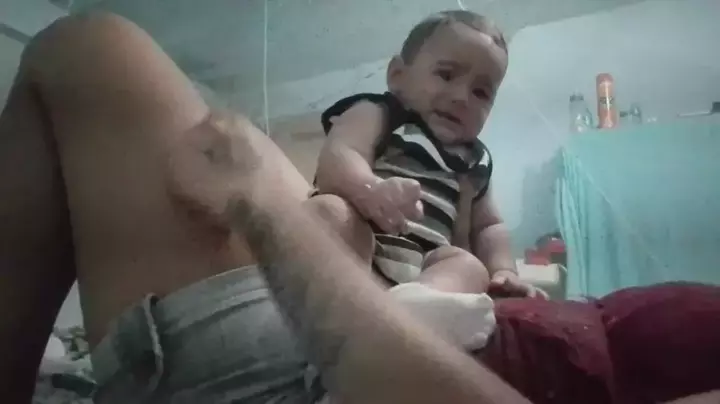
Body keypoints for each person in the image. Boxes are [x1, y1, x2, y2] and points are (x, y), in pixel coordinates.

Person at [0, 11, 530, 404]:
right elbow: (339, 157)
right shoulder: (383, 114)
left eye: (482, 92)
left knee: (465, 264)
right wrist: (369, 188)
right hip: (362, 242)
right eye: (446, 75)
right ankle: (361, 310)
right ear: (397, 75)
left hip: (416, 273)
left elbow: (492, 227)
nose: (462, 96)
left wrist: (503, 269)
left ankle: (415, 316)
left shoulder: (474, 164)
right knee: (332, 214)